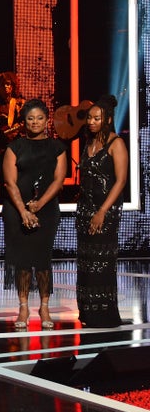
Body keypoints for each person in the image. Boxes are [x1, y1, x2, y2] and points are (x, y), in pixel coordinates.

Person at [2, 99, 66, 330]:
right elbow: (9, 183)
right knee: (22, 260)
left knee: (42, 259)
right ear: (24, 121)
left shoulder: (57, 148)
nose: (35, 122)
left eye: (39, 118)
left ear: (47, 120)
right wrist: (24, 211)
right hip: (16, 210)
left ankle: (45, 306)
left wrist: (39, 205)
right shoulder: (14, 147)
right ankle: (23, 306)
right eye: (30, 118)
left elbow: (59, 181)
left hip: (46, 209)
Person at [76, 95, 127, 328]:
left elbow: (120, 181)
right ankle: (87, 312)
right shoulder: (87, 144)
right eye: (90, 118)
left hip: (105, 213)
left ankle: (104, 315)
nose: (92, 122)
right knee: (86, 262)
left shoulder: (116, 143)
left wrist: (102, 211)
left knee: (102, 263)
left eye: (97, 118)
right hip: (84, 211)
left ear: (107, 120)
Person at [0, 71, 25, 158]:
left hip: (16, 146)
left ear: (13, 86)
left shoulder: (19, 104)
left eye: (8, 84)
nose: (5, 87)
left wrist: (19, 128)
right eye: (1, 85)